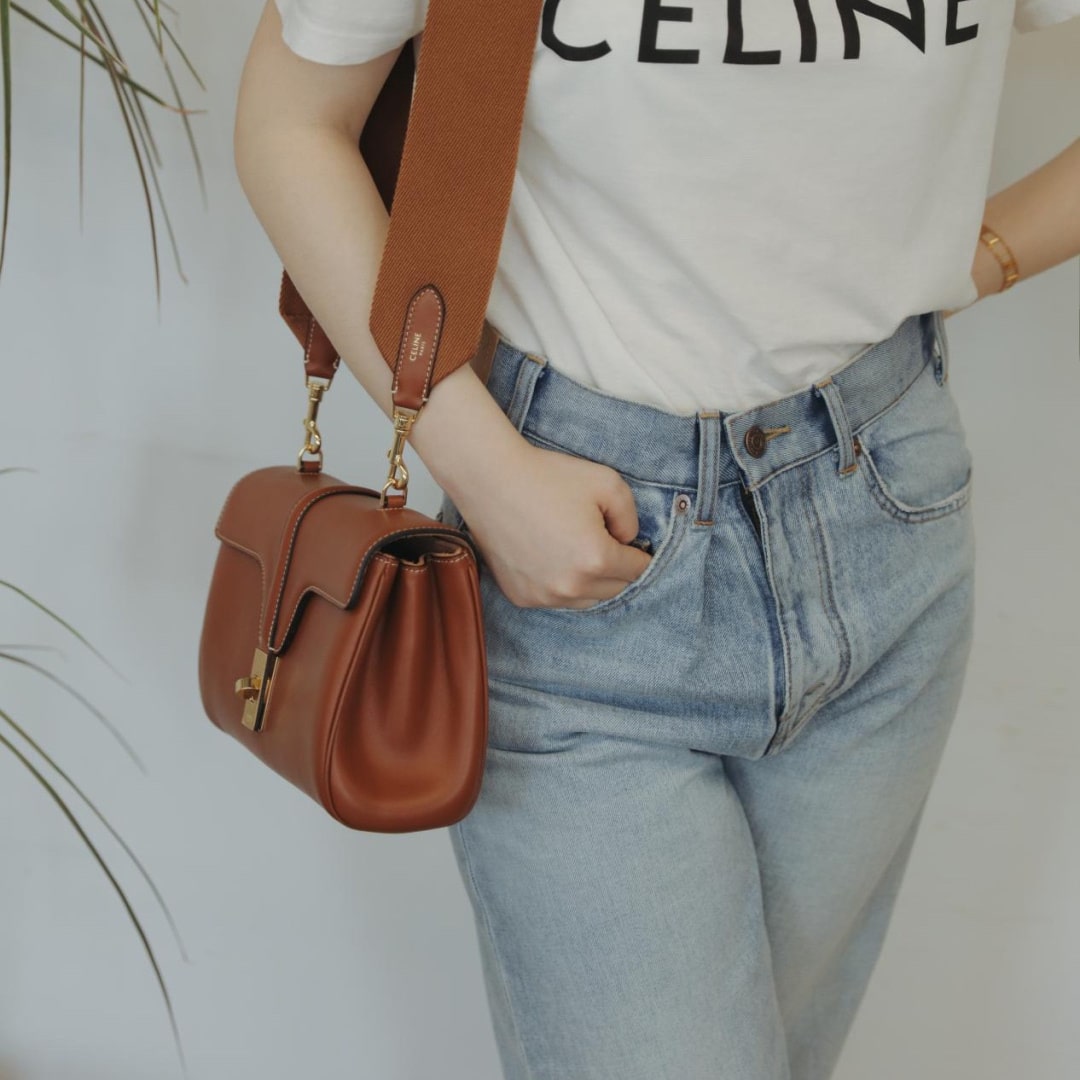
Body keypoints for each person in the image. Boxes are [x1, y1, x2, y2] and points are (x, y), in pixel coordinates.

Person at [234, 3, 1080, 1076]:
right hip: (580, 569)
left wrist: (987, 257)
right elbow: (290, 120)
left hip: (886, 537)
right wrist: (488, 477)